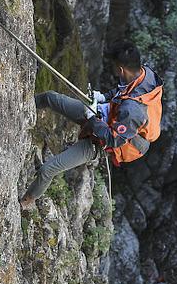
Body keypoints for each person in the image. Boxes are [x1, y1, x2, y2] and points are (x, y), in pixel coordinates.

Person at [19, 41, 163, 210]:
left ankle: (25, 202)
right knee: (50, 97)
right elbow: (124, 91)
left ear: (121, 69)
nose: (114, 70)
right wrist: (103, 97)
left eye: (114, 67)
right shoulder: (145, 75)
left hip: (103, 143)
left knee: (47, 170)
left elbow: (112, 140)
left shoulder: (133, 111)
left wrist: (92, 118)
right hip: (106, 114)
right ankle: (20, 105)